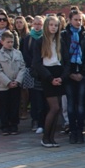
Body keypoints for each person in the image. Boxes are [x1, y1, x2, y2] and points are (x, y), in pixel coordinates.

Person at [32, 15, 70, 147]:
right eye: (51, 25)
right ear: (46, 26)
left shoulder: (61, 41)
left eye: (56, 25)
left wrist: (62, 77)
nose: (53, 27)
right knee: (54, 107)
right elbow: (37, 63)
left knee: (57, 109)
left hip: (59, 74)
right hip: (47, 75)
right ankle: (45, 138)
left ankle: (52, 138)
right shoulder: (40, 42)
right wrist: (50, 78)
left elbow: (66, 62)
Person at [60, 9, 85, 144]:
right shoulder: (63, 35)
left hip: (82, 74)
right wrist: (70, 73)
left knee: (80, 105)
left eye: (80, 20)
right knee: (71, 105)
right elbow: (63, 56)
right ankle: (72, 131)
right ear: (70, 20)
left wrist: (82, 73)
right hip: (69, 74)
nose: (78, 22)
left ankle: (80, 131)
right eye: (75, 20)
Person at [0, 30, 26, 135]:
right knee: (4, 106)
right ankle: (4, 125)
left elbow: (22, 68)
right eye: (8, 42)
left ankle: (14, 125)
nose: (10, 44)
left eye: (12, 42)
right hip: (4, 86)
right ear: (2, 42)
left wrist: (17, 81)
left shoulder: (18, 53)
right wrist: (8, 82)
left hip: (16, 84)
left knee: (15, 105)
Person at [21, 16, 45, 134]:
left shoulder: (45, 37)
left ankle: (43, 121)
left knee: (43, 98)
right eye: (35, 24)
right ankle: (35, 120)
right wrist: (33, 66)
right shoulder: (28, 38)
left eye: (39, 24)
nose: (37, 26)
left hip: (44, 71)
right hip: (32, 71)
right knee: (34, 97)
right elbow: (25, 54)